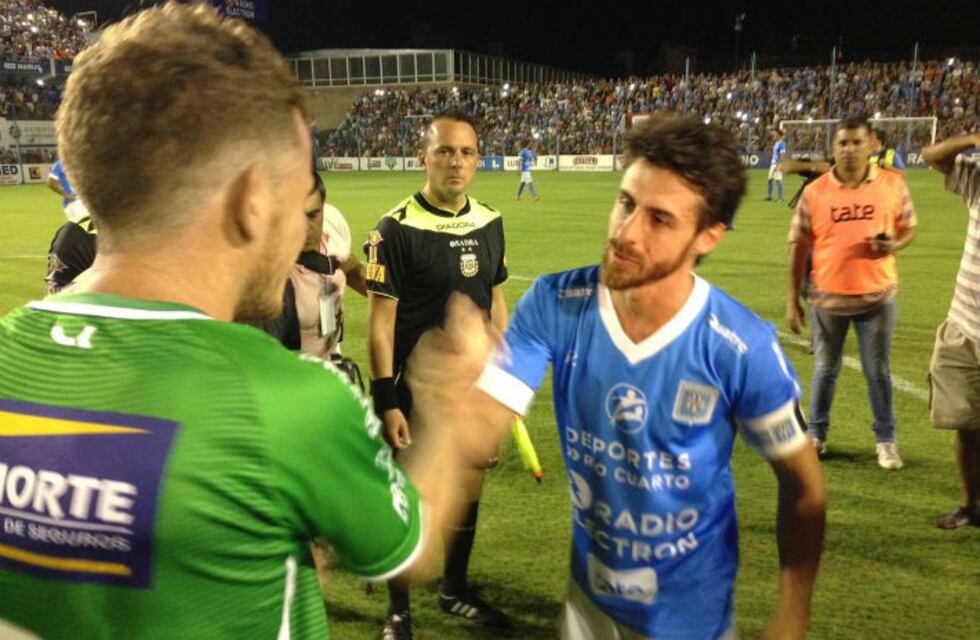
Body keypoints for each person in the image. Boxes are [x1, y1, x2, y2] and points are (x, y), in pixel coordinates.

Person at [0, 5, 505, 639]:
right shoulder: (290, 399)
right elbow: (409, 545)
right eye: (296, 199)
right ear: (249, 201)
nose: (305, 226)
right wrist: (456, 421)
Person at [419, 116, 826, 640]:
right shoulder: (554, 303)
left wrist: (793, 613)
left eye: (660, 219)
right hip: (586, 606)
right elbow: (483, 426)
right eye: (627, 202)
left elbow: (804, 489)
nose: (626, 232)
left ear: (708, 236)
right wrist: (455, 408)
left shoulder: (741, 346)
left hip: (692, 623)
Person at [366, 110, 511, 639]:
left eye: (467, 152)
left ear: (479, 159)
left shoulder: (490, 221)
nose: (457, 162)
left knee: (468, 487)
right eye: (445, 151)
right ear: (423, 157)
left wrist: (502, 381)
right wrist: (387, 399)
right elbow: (381, 324)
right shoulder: (394, 228)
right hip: (413, 386)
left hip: (471, 389)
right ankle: (397, 609)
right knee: (407, 494)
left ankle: (454, 589)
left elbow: (496, 303)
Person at [787, 115, 918, 469]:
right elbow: (798, 246)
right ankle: (816, 435)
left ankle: (886, 440)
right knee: (825, 369)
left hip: (877, 298)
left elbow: (909, 228)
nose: (849, 149)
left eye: (856, 142)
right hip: (827, 299)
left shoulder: (892, 184)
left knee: (878, 371)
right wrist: (791, 302)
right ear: (834, 148)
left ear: (872, 144)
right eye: (842, 143)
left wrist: (894, 243)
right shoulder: (815, 193)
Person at [921, 132, 980, 528]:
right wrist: (975, 136)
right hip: (965, 326)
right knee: (965, 425)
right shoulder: (978, 178)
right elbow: (932, 155)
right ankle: (972, 505)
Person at [47, 157, 90, 224]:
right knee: (83, 227)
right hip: (73, 202)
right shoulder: (60, 164)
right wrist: (66, 195)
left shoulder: (82, 163)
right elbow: (51, 183)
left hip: (84, 200)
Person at [765, 129, 787, 202]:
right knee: (770, 179)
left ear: (779, 135)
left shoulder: (782, 143)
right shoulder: (776, 143)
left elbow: (782, 155)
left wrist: (779, 165)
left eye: (775, 134)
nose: (774, 135)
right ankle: (770, 196)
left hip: (778, 164)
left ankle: (780, 198)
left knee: (778, 180)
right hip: (773, 163)